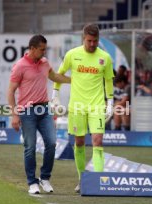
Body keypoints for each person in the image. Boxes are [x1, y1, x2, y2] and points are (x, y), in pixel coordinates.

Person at [52, 24, 114, 193]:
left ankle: (99, 182)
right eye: (89, 41)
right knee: (79, 142)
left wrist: (110, 102)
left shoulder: (105, 58)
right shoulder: (72, 54)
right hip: (77, 106)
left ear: (98, 39)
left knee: (98, 141)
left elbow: (108, 80)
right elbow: (59, 73)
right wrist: (55, 93)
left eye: (95, 41)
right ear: (83, 38)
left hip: (97, 106)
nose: (92, 44)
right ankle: (83, 179)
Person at [7, 34, 70, 194]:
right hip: (26, 112)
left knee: (52, 143)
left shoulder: (44, 62)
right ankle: (32, 182)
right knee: (30, 147)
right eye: (42, 50)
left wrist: (75, 80)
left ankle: (45, 178)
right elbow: (11, 91)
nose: (44, 52)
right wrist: (14, 115)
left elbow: (54, 76)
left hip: (45, 110)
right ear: (32, 49)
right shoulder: (20, 66)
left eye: (45, 49)